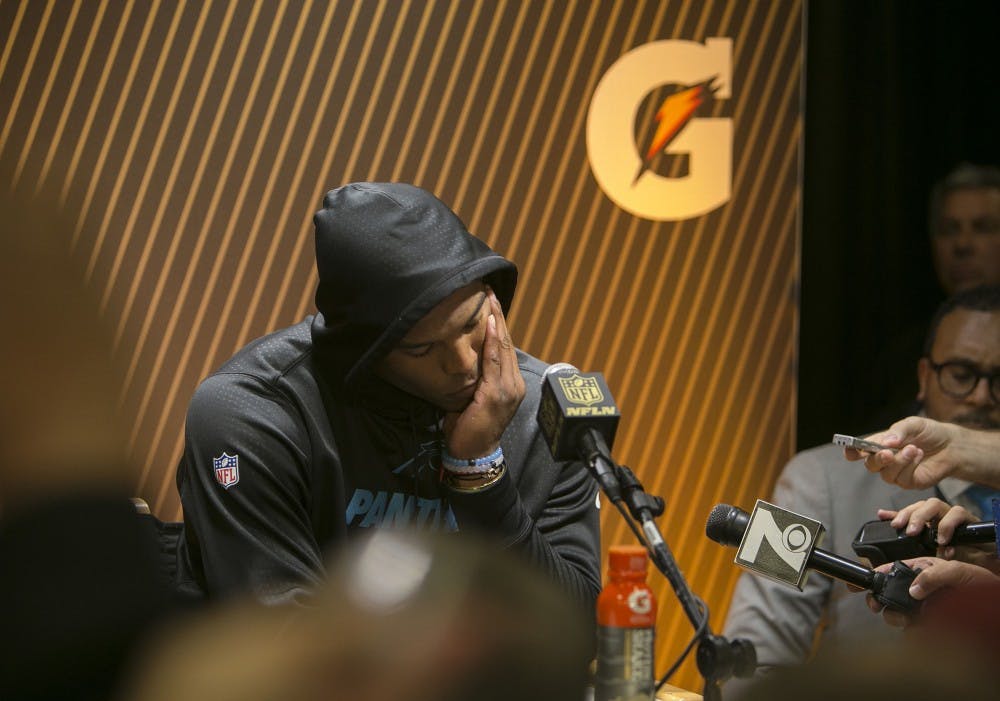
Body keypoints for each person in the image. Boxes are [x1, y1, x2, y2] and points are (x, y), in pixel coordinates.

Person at [175, 182, 602, 613]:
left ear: (493, 295)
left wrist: (479, 472)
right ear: (365, 352)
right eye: (421, 348)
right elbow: (284, 651)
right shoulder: (252, 414)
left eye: (473, 323)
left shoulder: (545, 411)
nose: (462, 364)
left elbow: (575, 630)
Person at [721, 284, 1000, 695]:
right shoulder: (813, 478)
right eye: (961, 375)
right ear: (924, 376)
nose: (981, 397)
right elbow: (749, 660)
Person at [861, 162, 1000, 429]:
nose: (962, 245)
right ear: (923, 375)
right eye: (949, 229)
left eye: (982, 227)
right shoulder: (899, 360)